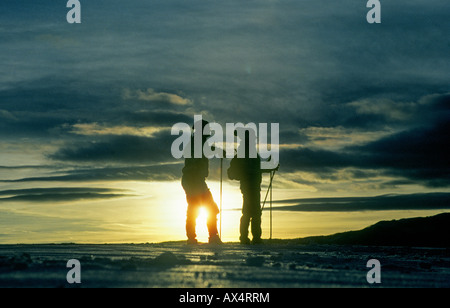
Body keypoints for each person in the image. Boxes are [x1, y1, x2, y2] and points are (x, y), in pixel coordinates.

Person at [228, 129, 279, 244]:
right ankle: (252, 238)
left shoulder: (246, 152)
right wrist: (270, 166)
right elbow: (255, 168)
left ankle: (248, 237)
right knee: (253, 212)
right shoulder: (247, 152)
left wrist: (270, 166)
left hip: (251, 186)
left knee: (250, 212)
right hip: (251, 186)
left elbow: (256, 167)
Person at [181, 119, 223, 245]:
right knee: (202, 208)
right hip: (193, 180)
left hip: (195, 180)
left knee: (199, 208)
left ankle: (195, 237)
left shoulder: (198, 143)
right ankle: (209, 236)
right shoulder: (196, 144)